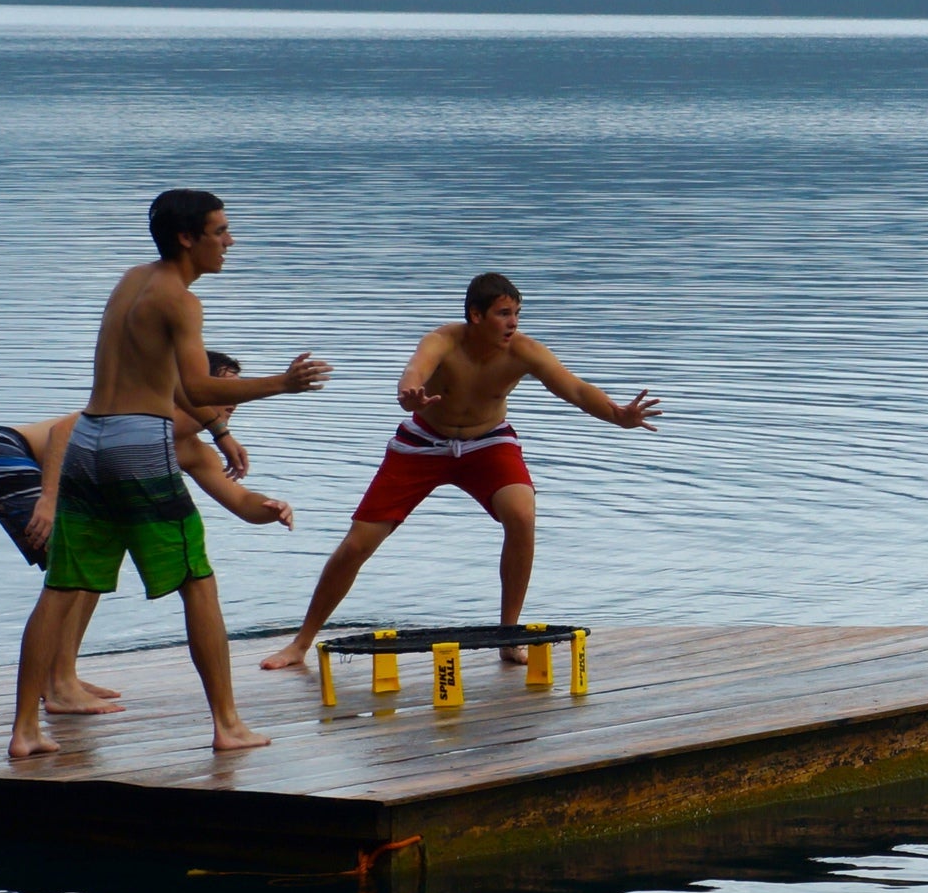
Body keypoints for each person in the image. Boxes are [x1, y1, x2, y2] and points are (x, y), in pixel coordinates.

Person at [7, 191, 330, 759]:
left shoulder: (132, 281)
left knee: (61, 586)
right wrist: (281, 383)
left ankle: (24, 732)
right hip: (136, 443)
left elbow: (174, 385)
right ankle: (228, 725)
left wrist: (222, 432)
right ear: (188, 238)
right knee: (198, 582)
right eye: (220, 230)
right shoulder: (181, 301)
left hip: (88, 438)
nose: (230, 241)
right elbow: (200, 386)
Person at [260, 272, 659, 673]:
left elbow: (574, 388)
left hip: (488, 443)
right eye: (504, 314)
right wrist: (409, 395)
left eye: (517, 313)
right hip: (422, 443)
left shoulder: (525, 352)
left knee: (522, 516)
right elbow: (413, 373)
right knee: (358, 544)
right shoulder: (442, 341)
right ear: (475, 315)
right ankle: (300, 643)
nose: (513, 323)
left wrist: (617, 415)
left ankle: (509, 635)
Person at [0, 353, 268, 715]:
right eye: (223, 386)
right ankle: (60, 684)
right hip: (8, 453)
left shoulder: (194, 449)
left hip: (46, 469)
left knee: (92, 563)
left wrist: (269, 507)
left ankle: (63, 674)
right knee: (72, 567)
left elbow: (239, 500)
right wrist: (49, 499)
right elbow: (62, 433)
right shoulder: (139, 415)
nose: (234, 397)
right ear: (190, 385)